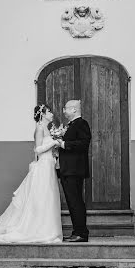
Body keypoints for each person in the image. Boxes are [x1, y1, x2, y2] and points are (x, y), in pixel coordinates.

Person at [0, 104, 62, 243]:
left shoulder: (48, 129)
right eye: (49, 111)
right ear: (43, 114)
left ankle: (47, 228)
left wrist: (54, 149)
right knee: (41, 197)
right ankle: (36, 229)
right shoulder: (39, 129)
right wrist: (53, 143)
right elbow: (37, 150)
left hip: (49, 166)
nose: (52, 113)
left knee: (47, 197)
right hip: (43, 167)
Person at [58, 99, 91, 242]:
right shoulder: (71, 125)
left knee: (76, 202)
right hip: (68, 170)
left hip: (74, 170)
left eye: (65, 108)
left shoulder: (81, 123)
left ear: (74, 110)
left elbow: (84, 143)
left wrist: (64, 144)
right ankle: (77, 231)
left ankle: (81, 233)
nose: (64, 111)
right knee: (72, 202)